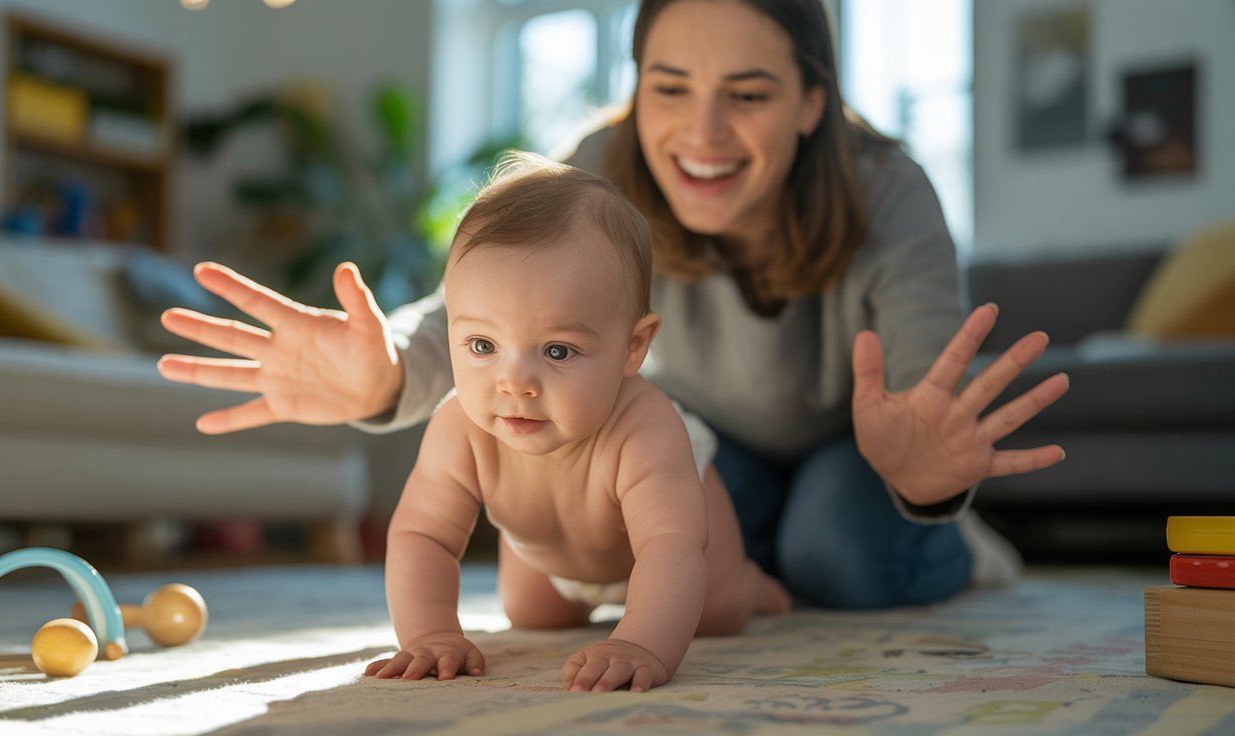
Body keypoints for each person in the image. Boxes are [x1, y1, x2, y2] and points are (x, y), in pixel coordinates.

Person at [158, 0, 1070, 612]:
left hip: (857, 448)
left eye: (747, 96)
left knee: (836, 550)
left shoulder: (891, 191)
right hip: (716, 445)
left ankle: (964, 548)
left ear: (811, 103)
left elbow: (923, 394)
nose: (701, 134)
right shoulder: (603, 164)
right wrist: (388, 368)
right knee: (653, 545)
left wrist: (926, 473)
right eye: (669, 89)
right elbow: (482, 307)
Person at [360, 151, 790, 692]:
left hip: (666, 545)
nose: (514, 382)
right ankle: (580, 595)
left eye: (558, 351)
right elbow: (423, 535)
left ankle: (755, 585)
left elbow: (670, 544)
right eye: (482, 345)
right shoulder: (459, 428)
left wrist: (638, 643)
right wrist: (429, 633)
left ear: (632, 348)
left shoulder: (646, 428)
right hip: (552, 556)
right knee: (533, 615)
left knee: (716, 611)